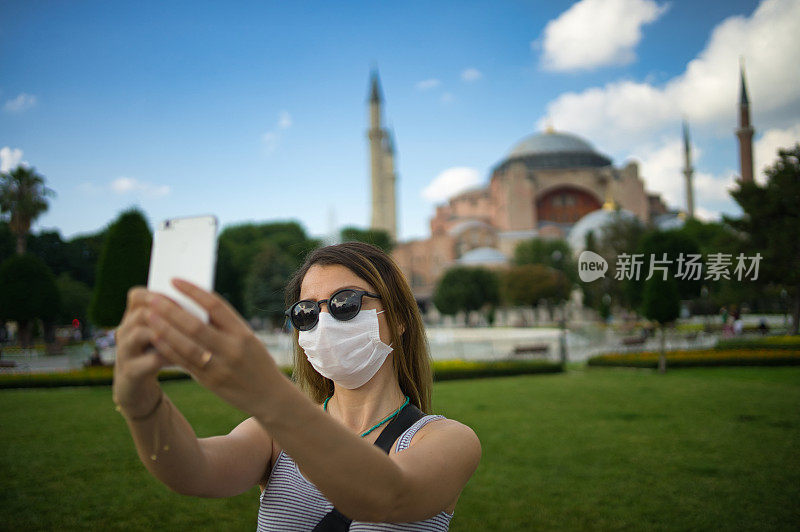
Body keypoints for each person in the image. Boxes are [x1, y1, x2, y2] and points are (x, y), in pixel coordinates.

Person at [113, 242, 481, 530]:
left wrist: (267, 394)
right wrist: (141, 403)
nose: (323, 321)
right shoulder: (271, 436)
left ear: (398, 319)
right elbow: (190, 470)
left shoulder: (447, 439)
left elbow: (387, 496)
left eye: (344, 303)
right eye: (306, 311)